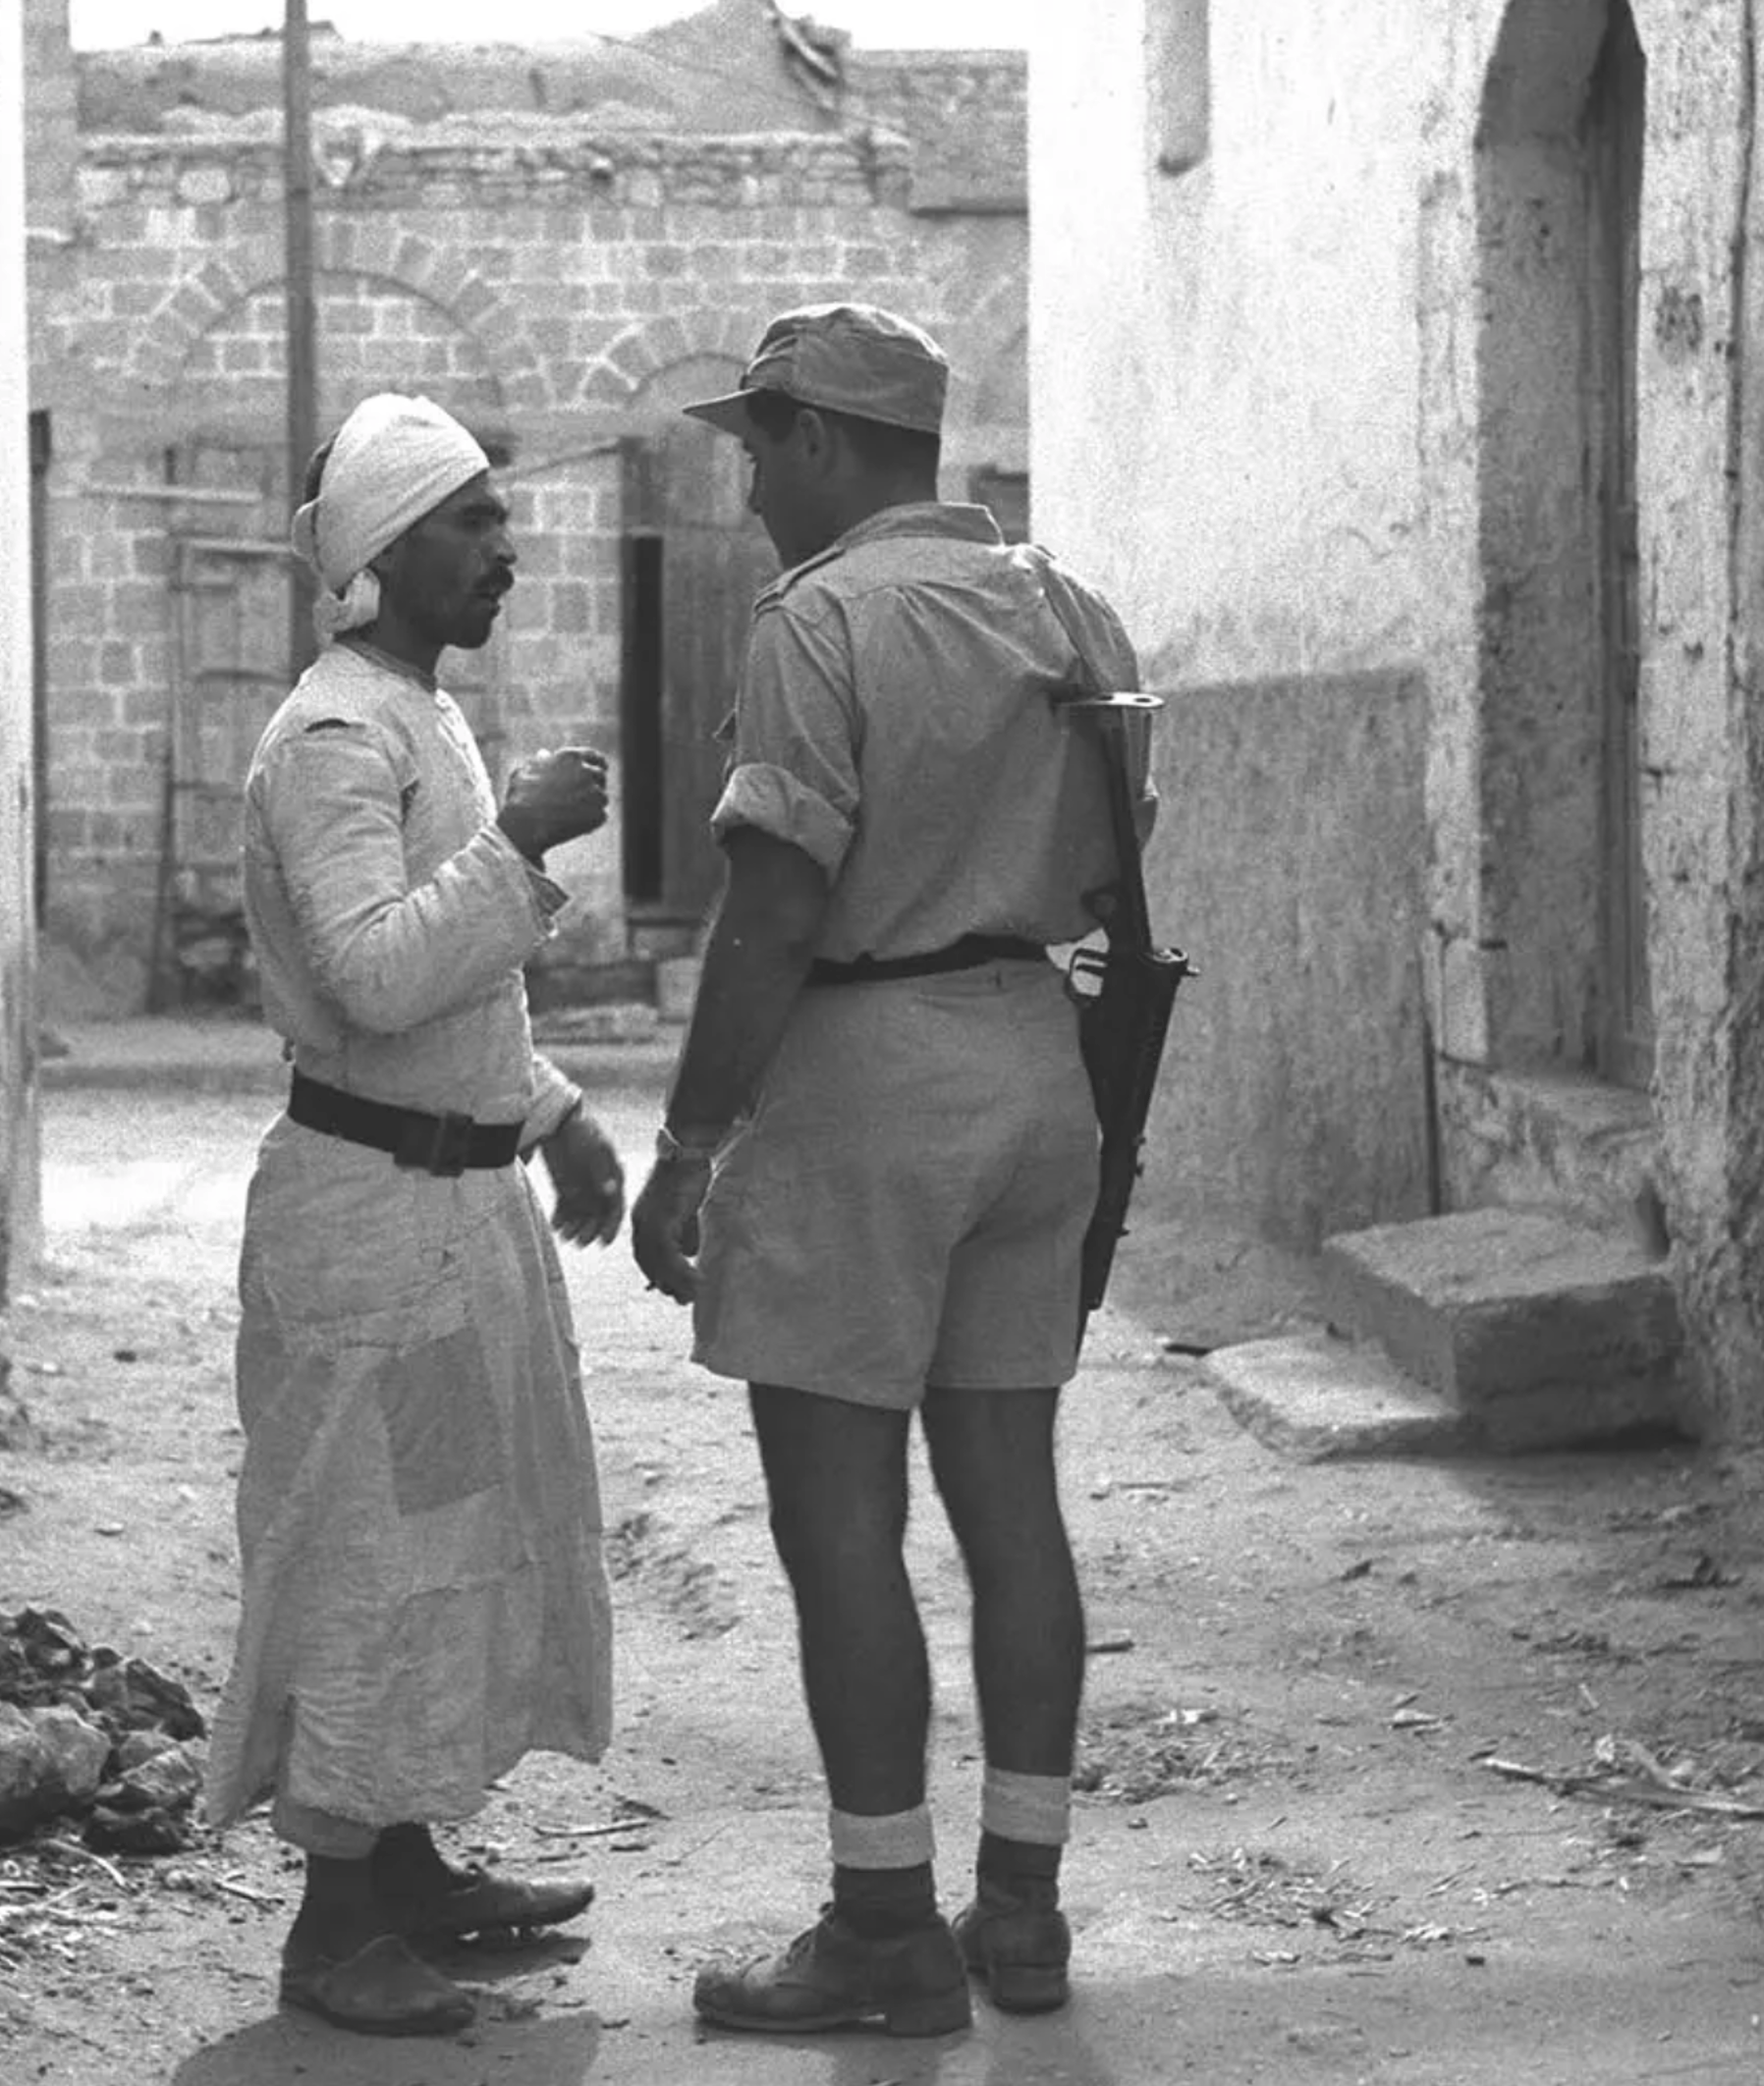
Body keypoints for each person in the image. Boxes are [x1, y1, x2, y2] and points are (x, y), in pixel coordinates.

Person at [629, 303, 1153, 2035]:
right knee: (1013, 1502)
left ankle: (881, 1925)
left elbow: (778, 900)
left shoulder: (823, 619)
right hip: (1034, 1056)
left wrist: (693, 1141)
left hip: (867, 1071)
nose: (753, 481)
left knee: (839, 1528)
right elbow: (1110, 865)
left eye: (764, 444)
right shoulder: (1069, 606)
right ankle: (1022, 1910)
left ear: (831, 445)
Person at [200, 392, 629, 2038]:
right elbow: (378, 982)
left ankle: (408, 1872)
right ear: (384, 557)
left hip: (444, 1218)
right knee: (369, 1567)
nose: (506, 550)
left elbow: (457, 1024)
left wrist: (556, 1113)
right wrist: (518, 841)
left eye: (500, 519)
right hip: (367, 1232)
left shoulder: (414, 717)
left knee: (447, 1546)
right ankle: (330, 1933)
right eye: (472, 523)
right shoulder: (331, 738)